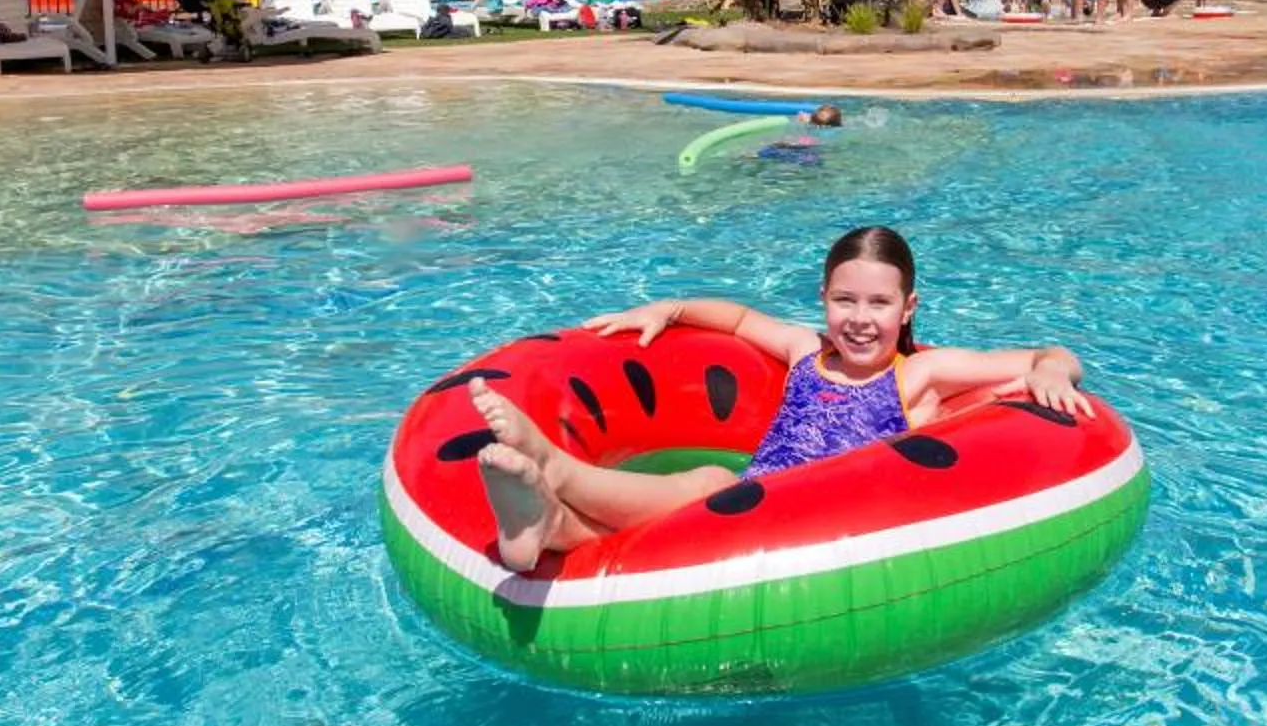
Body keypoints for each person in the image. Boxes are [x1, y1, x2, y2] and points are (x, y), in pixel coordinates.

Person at [468, 226, 1093, 569]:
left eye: (879, 304)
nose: (860, 319)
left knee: (712, 480)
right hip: (740, 509)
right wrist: (673, 307)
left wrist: (1055, 374)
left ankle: (554, 468)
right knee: (711, 483)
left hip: (818, 533)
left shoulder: (919, 376)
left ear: (908, 310)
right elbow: (738, 319)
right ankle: (549, 522)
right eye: (844, 301)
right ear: (823, 299)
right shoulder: (805, 352)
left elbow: (1049, 354)